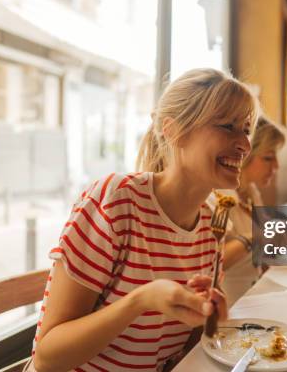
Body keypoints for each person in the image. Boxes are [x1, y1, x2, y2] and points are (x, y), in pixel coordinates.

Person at [27, 68, 258, 372]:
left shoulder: (208, 228)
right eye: (228, 126)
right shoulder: (115, 200)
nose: (244, 144)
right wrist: (142, 300)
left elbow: (184, 348)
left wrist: (206, 316)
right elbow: (47, 358)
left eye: (246, 129)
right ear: (174, 130)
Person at [209, 116, 286, 305]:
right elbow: (213, 262)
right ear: (245, 155)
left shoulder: (251, 192)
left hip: (254, 295)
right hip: (229, 306)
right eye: (268, 157)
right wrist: (255, 235)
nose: (276, 166)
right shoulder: (221, 198)